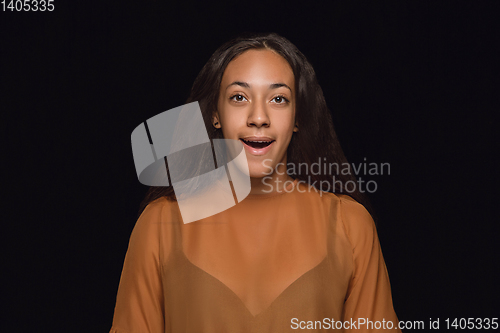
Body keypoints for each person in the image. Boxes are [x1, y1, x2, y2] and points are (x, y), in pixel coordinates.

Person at [110, 32, 401, 332]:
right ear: (214, 114)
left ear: (297, 116)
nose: (258, 117)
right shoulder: (160, 224)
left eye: (278, 99)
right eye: (239, 97)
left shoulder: (350, 226)